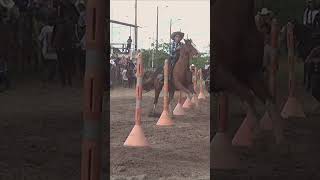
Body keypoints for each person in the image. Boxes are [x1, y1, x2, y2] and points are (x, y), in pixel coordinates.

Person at [38, 16, 58, 86]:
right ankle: (51, 78)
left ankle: (45, 79)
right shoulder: (57, 28)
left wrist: (39, 48)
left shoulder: (44, 28)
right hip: (55, 52)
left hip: (45, 51)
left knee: (46, 66)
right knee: (53, 66)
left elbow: (40, 39)